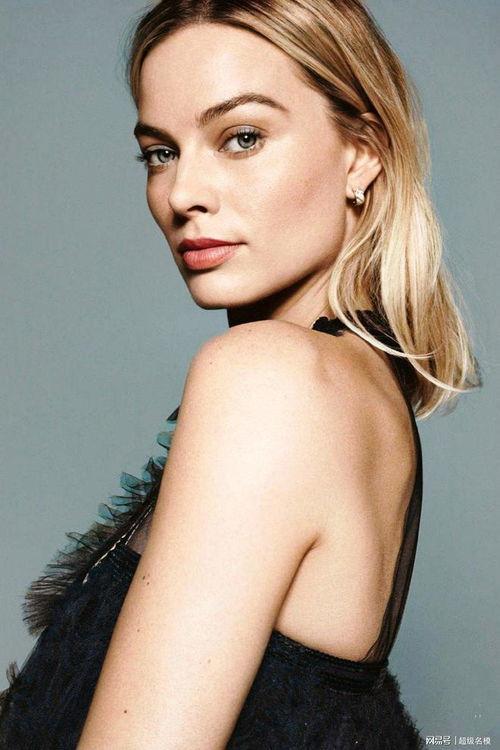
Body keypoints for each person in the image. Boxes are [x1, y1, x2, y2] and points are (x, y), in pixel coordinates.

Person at [0, 1, 481, 748]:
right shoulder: (353, 384)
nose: (182, 193)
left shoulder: (269, 380)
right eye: (161, 152)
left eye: (242, 137)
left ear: (361, 152)